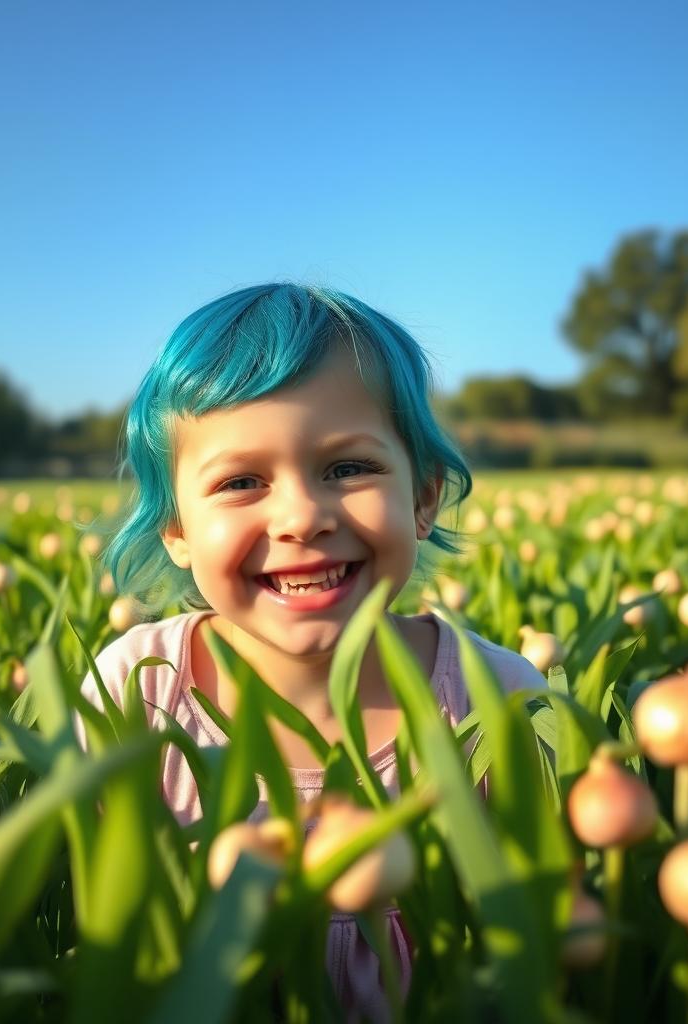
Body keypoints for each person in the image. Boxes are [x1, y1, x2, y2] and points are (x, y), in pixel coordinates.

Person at [75, 283, 545, 1021]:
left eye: (349, 468)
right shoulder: (136, 693)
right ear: (175, 529)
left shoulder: (498, 699)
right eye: (240, 482)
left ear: (423, 496)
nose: (301, 516)